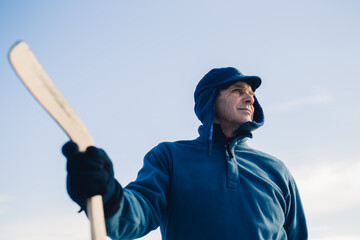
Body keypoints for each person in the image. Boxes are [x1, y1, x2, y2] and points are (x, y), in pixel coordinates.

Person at [62, 67, 308, 240]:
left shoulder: (276, 170)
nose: (249, 98)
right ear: (210, 100)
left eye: (252, 95)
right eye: (237, 90)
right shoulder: (170, 157)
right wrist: (106, 195)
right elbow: (136, 214)